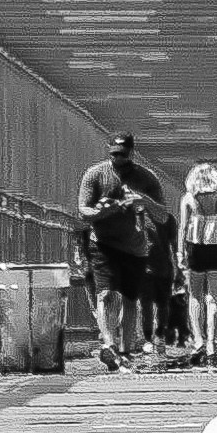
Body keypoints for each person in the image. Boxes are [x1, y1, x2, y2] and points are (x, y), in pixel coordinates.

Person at [74, 135, 174, 371]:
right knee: (106, 294)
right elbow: (83, 212)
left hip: (135, 248)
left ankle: (125, 350)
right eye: (114, 153)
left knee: (130, 299)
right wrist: (102, 210)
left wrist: (144, 201)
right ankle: (108, 344)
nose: (118, 158)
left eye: (122, 154)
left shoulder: (146, 178)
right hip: (103, 244)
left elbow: (162, 216)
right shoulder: (95, 175)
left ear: (131, 153)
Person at [177, 165, 217, 360]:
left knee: (195, 296)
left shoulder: (189, 198)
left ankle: (198, 340)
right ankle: (212, 342)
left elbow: (183, 227)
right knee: (213, 297)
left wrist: (180, 253)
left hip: (195, 248)